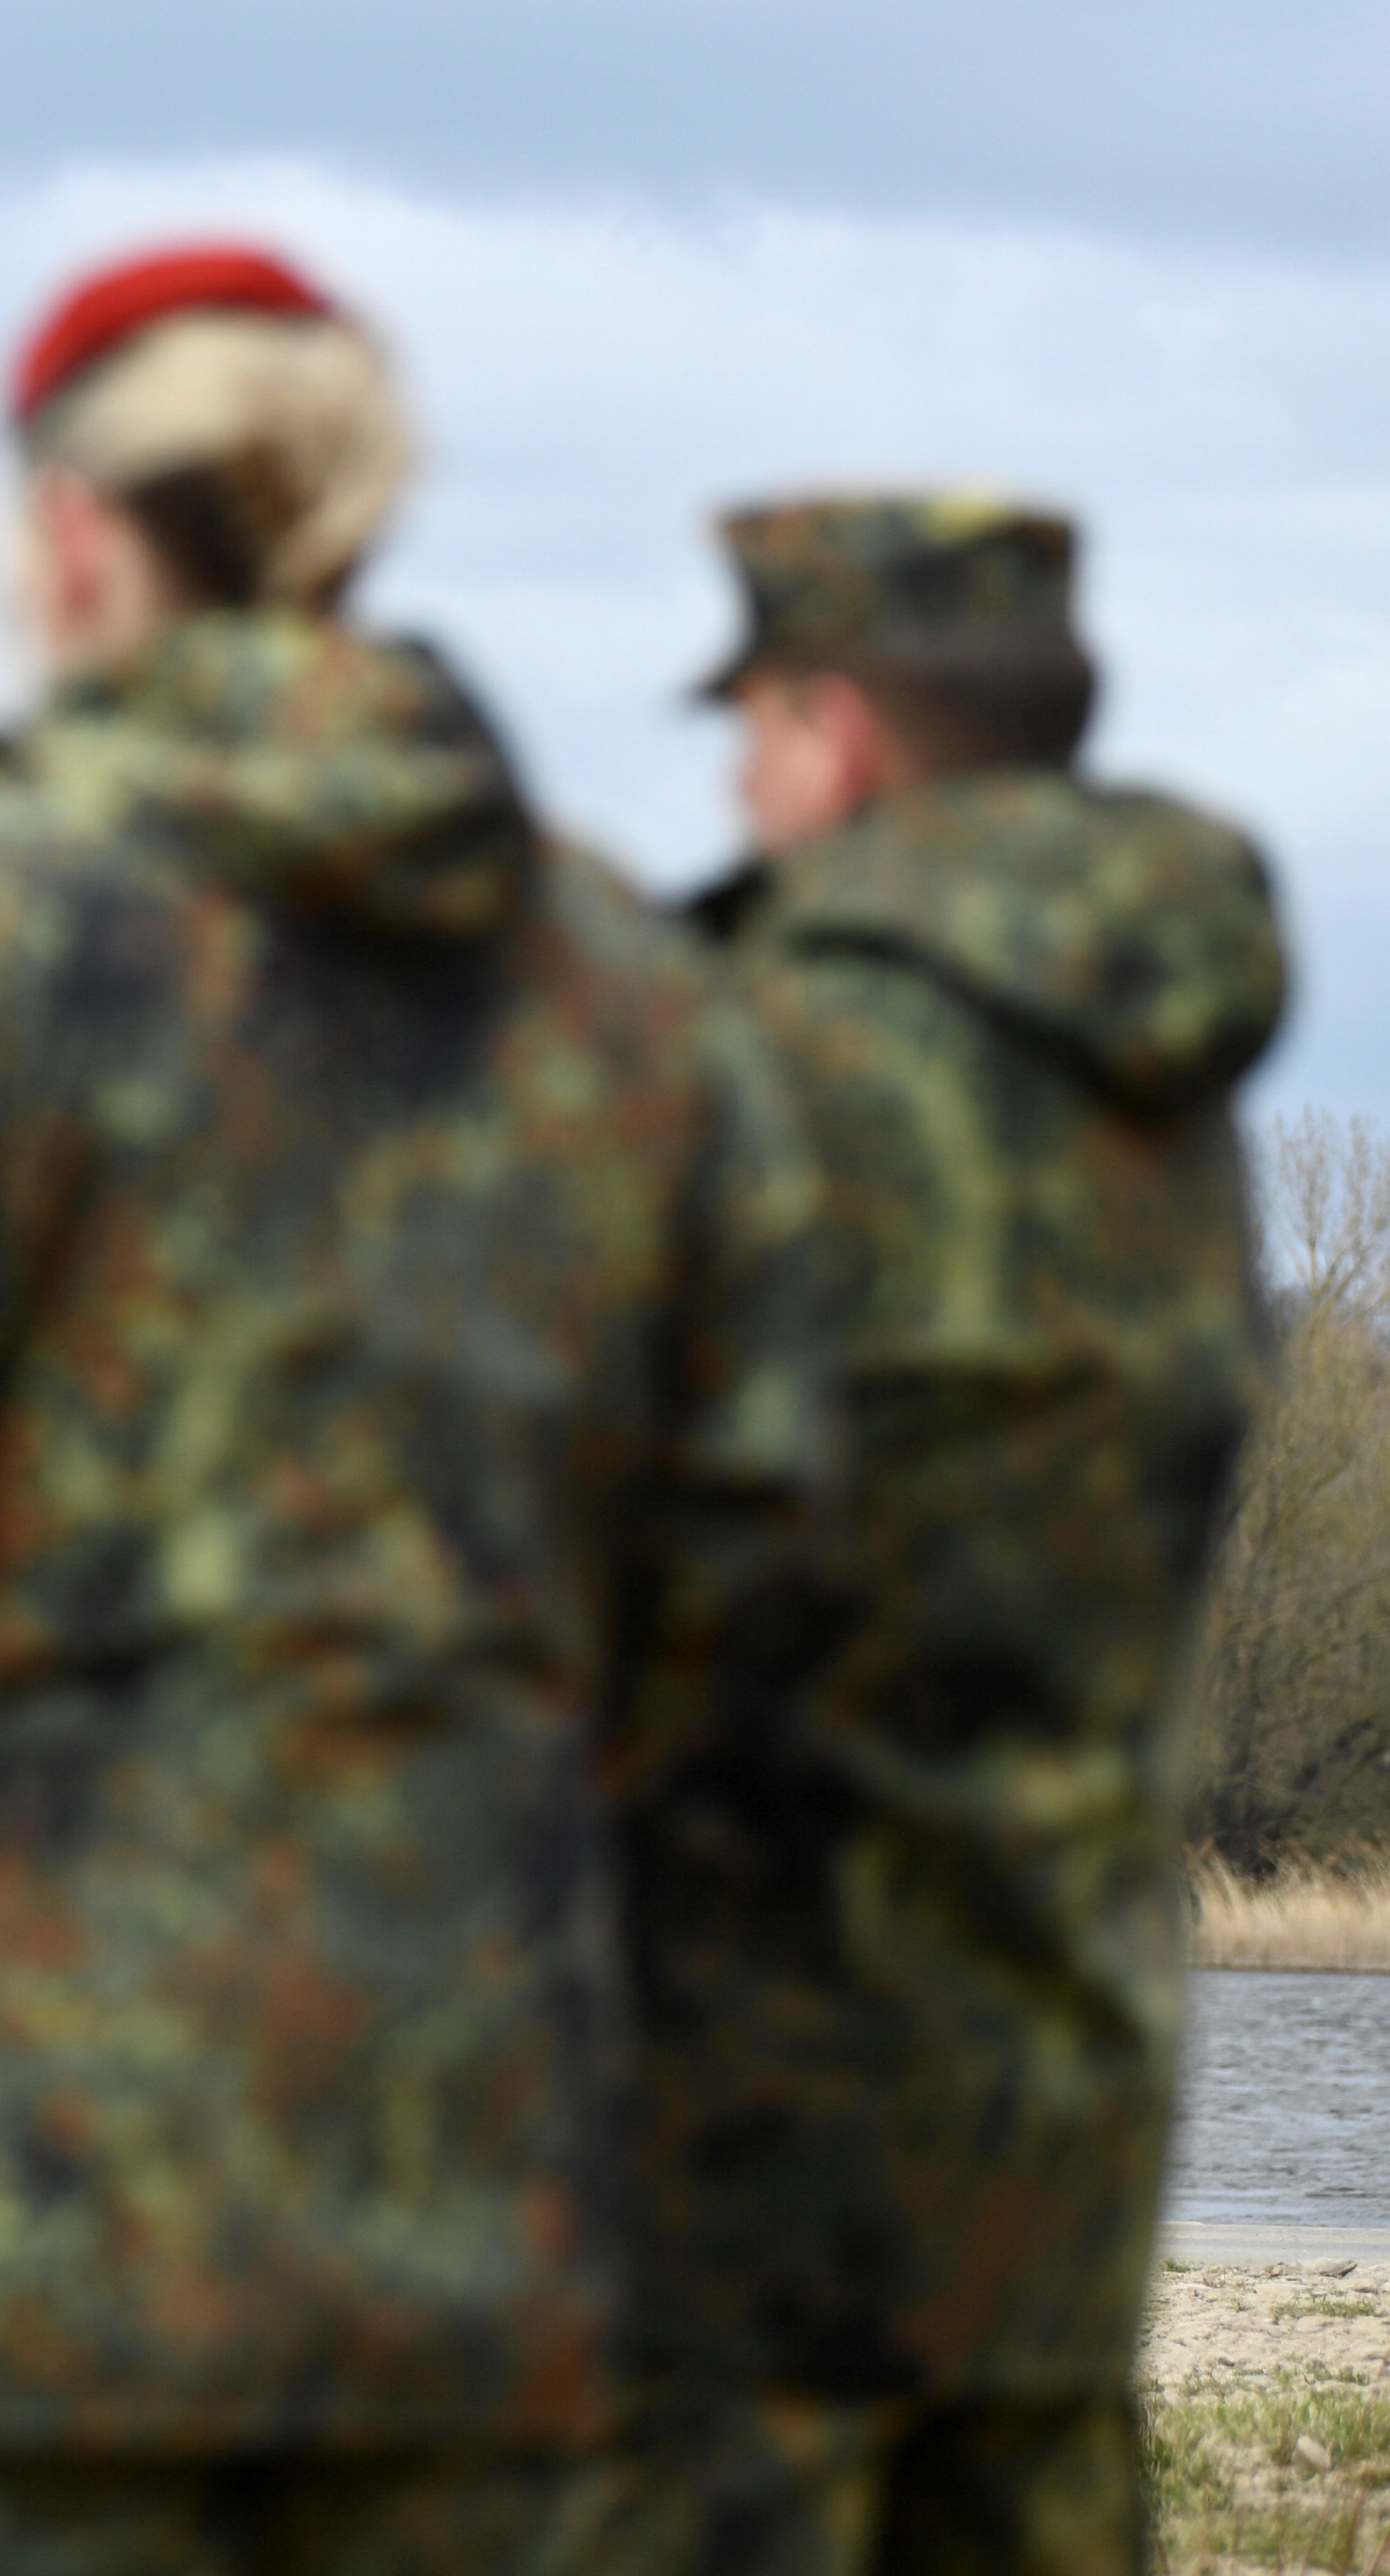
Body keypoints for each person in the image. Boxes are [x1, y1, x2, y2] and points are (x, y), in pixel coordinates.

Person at [0, 240, 831, 2576]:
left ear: (71, 532)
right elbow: (776, 1607)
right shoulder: (645, 1008)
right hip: (495, 2222)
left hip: (12, 2243)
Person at [612, 494, 1285, 2575]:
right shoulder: (1160, 1083)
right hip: (1060, 2071)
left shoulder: (760, 1047)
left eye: (754, 718)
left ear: (839, 724)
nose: (736, 775)